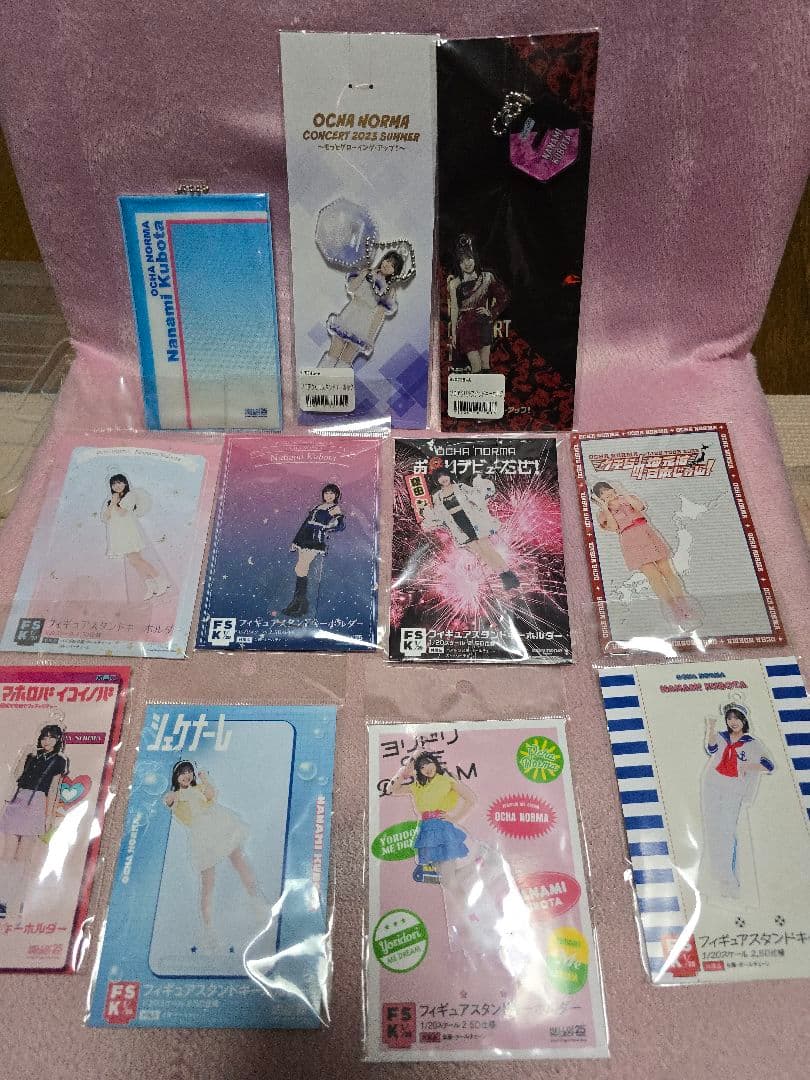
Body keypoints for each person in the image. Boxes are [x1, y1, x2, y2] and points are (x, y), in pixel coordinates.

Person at [163, 761, 267, 952]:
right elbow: (169, 802)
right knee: (208, 883)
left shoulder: (200, 788)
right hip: (201, 836)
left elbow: (211, 795)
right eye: (182, 773)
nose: (187, 776)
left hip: (219, 824)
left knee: (239, 860)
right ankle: (208, 929)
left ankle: (256, 901)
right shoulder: (176, 796)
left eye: (189, 772)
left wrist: (205, 779)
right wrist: (171, 797)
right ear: (176, 777)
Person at [591, 480, 700, 628]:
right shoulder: (603, 514)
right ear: (599, 498)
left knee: (667, 571)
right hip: (630, 541)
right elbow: (615, 527)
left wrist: (622, 492)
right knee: (654, 577)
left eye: (607, 489)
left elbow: (640, 507)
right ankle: (674, 610)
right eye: (602, 493)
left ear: (612, 488)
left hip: (646, 533)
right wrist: (604, 507)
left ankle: (685, 606)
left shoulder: (628, 498)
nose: (606, 493)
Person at [700, 702, 774, 900]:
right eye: (729, 718)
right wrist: (710, 728)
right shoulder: (722, 737)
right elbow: (711, 748)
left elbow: (768, 765)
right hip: (712, 785)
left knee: (727, 831)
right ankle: (717, 877)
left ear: (744, 720)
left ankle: (729, 879)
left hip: (733, 790)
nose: (733, 722)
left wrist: (746, 767)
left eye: (737, 718)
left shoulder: (752, 743)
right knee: (712, 828)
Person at [0, 724, 67, 921]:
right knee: (7, 856)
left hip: (37, 803)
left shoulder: (59, 761)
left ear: (58, 740)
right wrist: (24, 755)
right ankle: (2, 899)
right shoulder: (31, 755)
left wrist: (48, 817)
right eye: (44, 737)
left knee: (22, 858)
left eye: (51, 737)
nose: (47, 741)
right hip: (18, 800)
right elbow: (16, 776)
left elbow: (53, 790)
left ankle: (14, 899)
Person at [421, 467, 519, 590]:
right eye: (439, 477)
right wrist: (426, 513)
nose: (443, 479)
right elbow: (439, 515)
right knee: (482, 554)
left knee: (488, 549)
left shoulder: (461, 487)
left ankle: (510, 575)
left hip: (473, 522)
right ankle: (503, 577)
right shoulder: (437, 497)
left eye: (444, 475)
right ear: (437, 481)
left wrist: (479, 484)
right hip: (459, 527)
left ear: (449, 475)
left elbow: (477, 496)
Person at [321, 250, 405, 367]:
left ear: (394, 272)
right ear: (383, 260)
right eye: (387, 260)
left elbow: (379, 316)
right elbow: (351, 288)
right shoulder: (368, 272)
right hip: (349, 313)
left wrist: (370, 338)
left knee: (345, 361)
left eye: (392, 265)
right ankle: (322, 377)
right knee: (333, 353)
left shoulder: (389, 290)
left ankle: (338, 379)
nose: (387, 265)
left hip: (364, 323)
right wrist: (362, 274)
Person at [101, 473, 169, 601]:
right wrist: (112, 503)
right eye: (114, 484)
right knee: (134, 562)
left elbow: (122, 513)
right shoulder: (111, 500)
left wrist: (114, 502)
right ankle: (151, 586)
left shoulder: (130, 496)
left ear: (125, 483)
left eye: (119, 482)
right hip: (118, 535)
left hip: (129, 532)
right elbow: (105, 517)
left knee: (137, 560)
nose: (117, 486)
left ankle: (161, 580)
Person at [281, 484, 346, 617]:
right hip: (304, 537)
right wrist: (295, 541)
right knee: (299, 569)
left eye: (332, 493)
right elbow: (305, 524)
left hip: (315, 539)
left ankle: (301, 604)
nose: (329, 496)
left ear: (336, 495)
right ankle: (297, 602)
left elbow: (341, 525)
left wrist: (327, 527)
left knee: (302, 568)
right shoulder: (317, 506)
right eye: (326, 493)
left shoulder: (334, 508)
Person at [447, 234, 509, 373]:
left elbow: (503, 297)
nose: (467, 263)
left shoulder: (487, 277)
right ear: (458, 264)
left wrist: (491, 312)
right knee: (476, 365)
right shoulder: (454, 283)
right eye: (462, 260)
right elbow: (455, 309)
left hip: (483, 323)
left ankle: (485, 388)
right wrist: (454, 334)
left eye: (469, 258)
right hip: (466, 327)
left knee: (485, 363)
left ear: (475, 258)